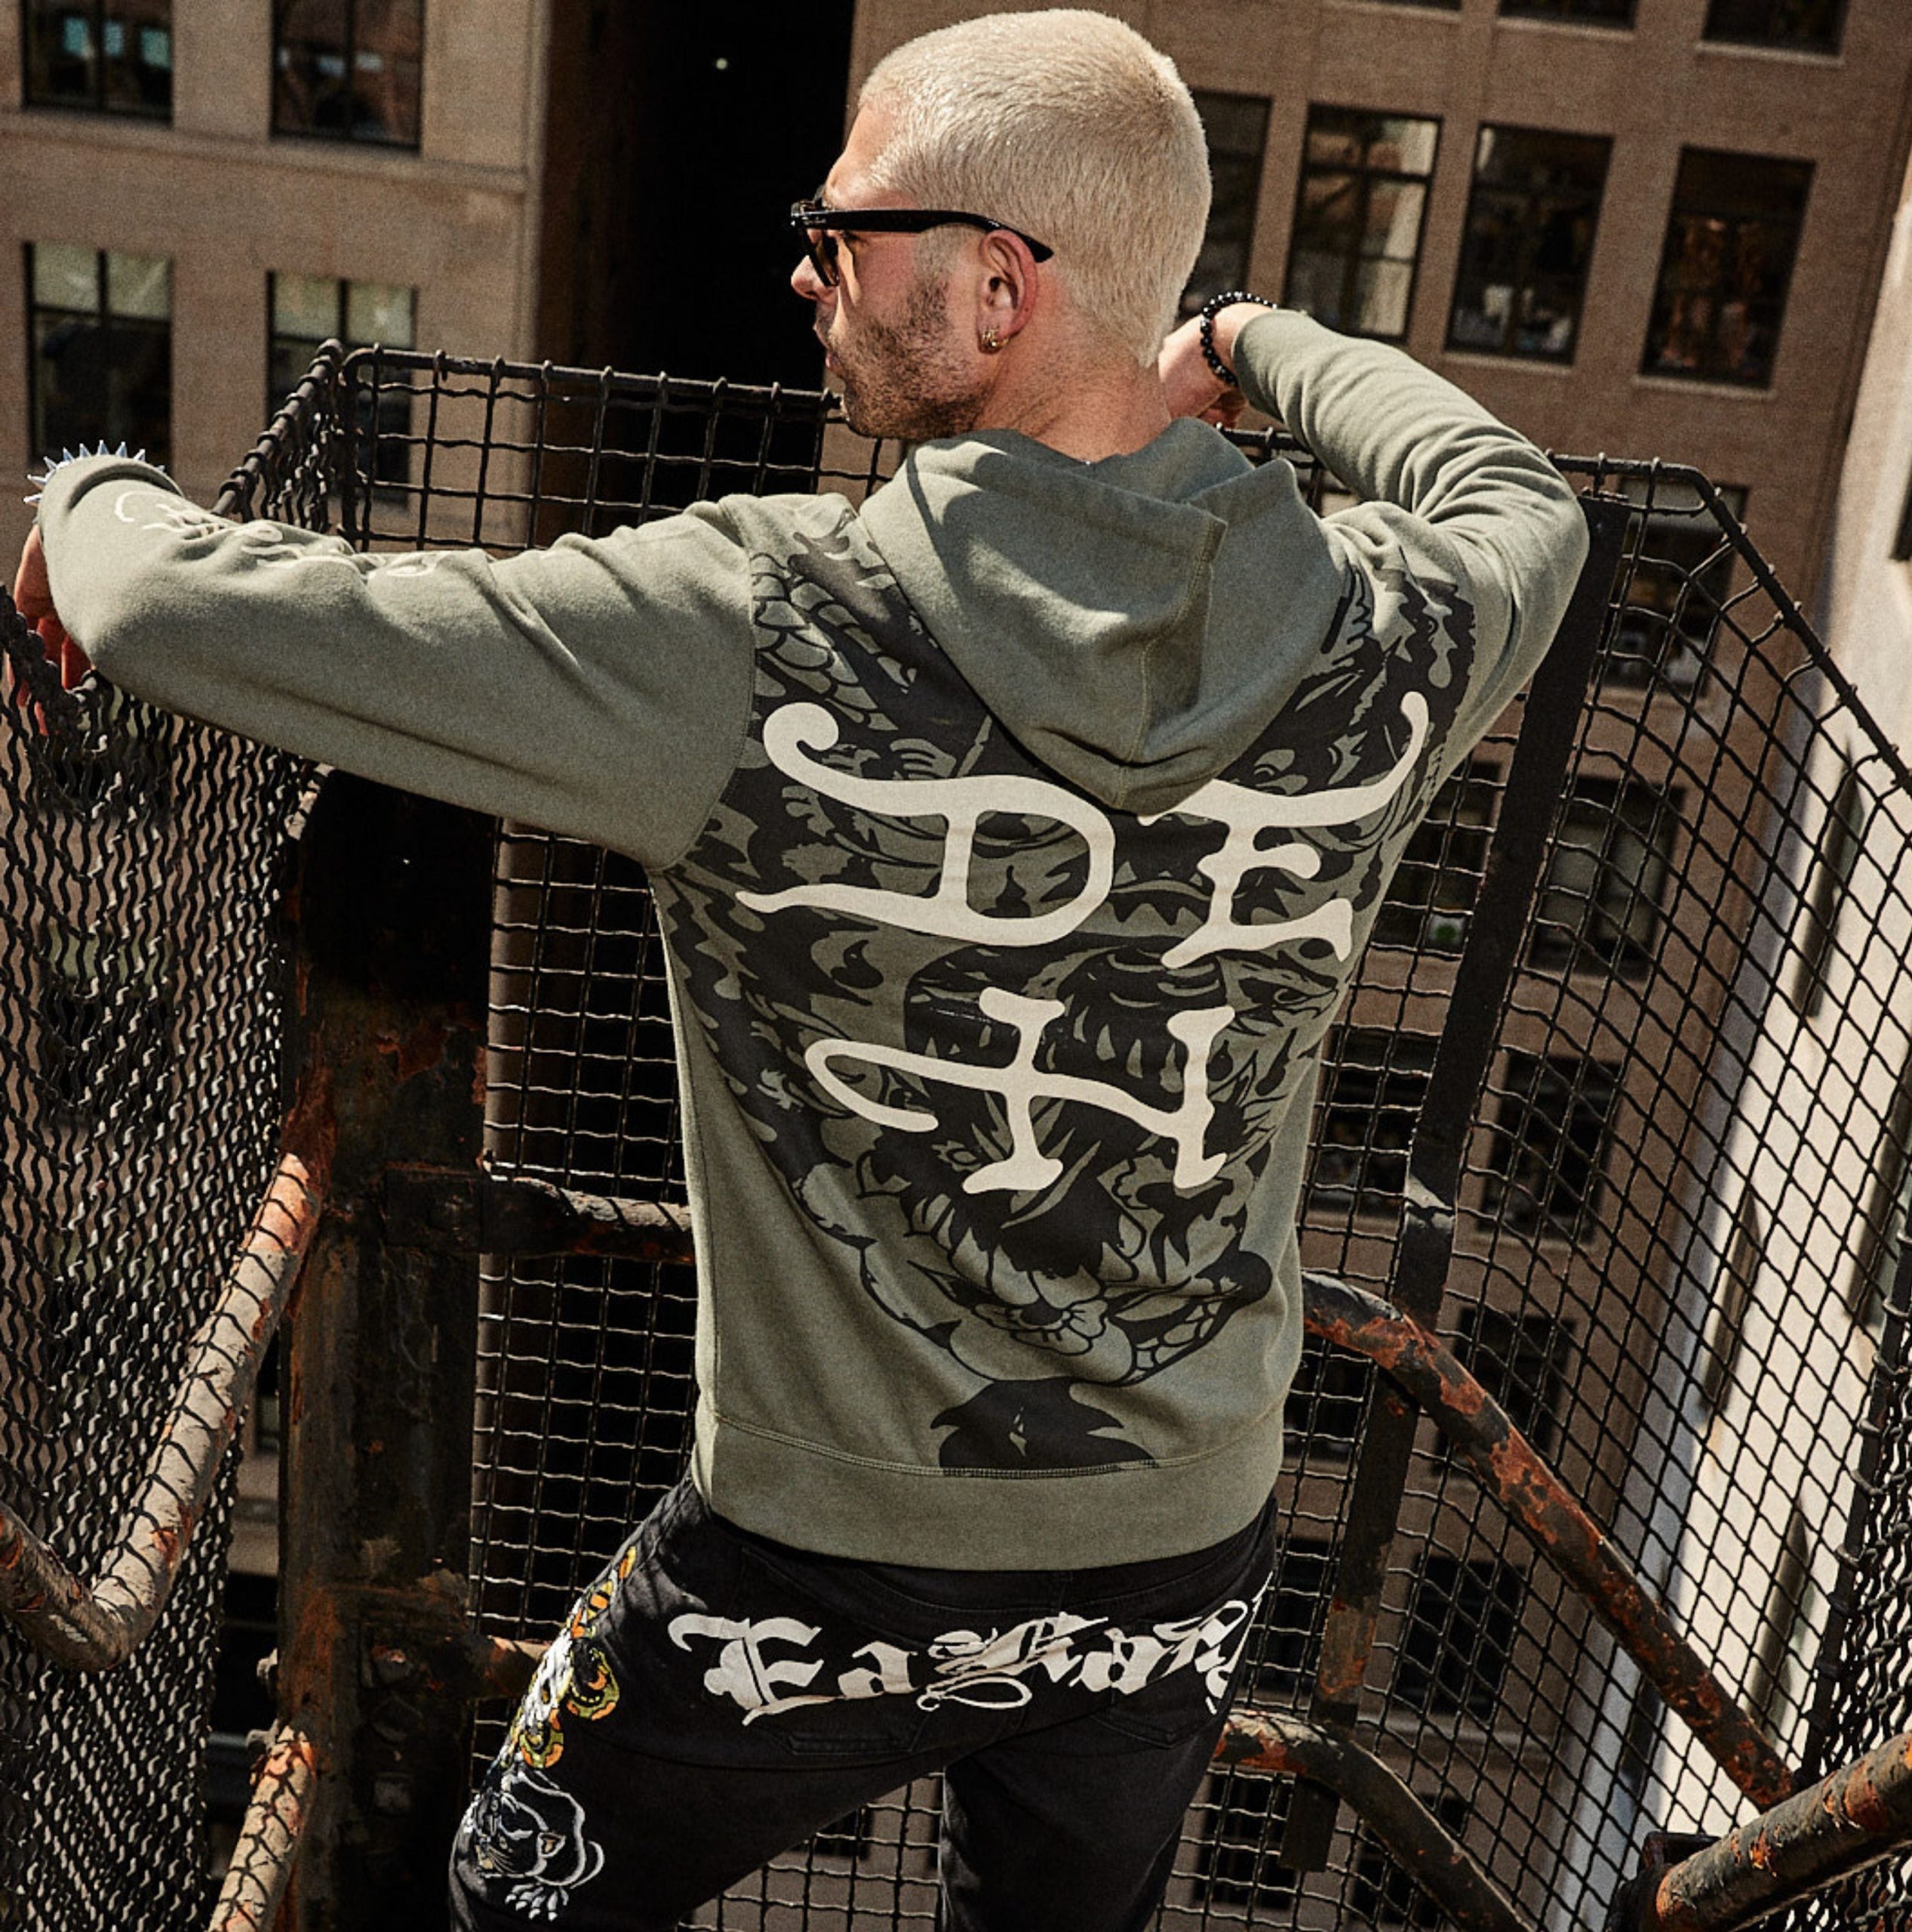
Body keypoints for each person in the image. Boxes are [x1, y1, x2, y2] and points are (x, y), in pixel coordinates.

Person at [14, 13, 1587, 1927]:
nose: (804, 266)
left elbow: (171, 602)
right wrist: (1244, 339)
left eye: (842, 230)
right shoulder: (1393, 636)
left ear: (996, 286)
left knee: (507, 1896)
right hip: (1176, 1562)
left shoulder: (759, 625)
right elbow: (1521, 499)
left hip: (809, 1567)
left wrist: (90, 486)